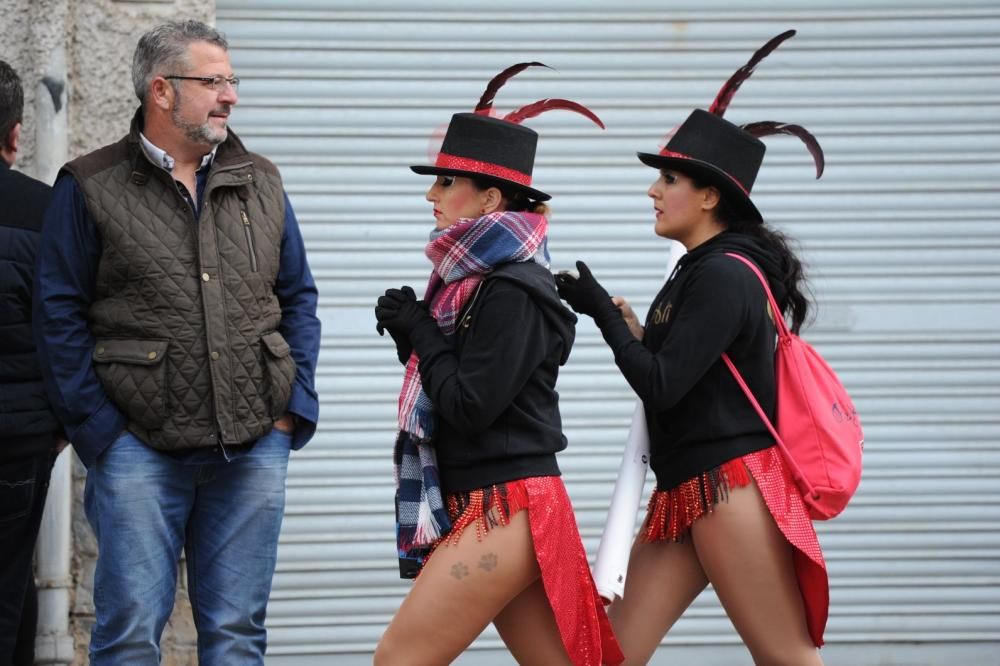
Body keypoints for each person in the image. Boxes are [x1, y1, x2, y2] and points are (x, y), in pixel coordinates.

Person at [32, 20, 320, 664]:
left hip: (252, 447)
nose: (231, 96)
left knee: (238, 633)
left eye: (232, 80)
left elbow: (298, 297)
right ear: (161, 91)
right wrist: (100, 432)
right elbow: (57, 317)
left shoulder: (262, 180)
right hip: (137, 450)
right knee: (130, 632)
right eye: (213, 81)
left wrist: (287, 411)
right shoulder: (89, 184)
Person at [556, 31, 829, 665]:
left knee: (786, 657)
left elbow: (662, 384)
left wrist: (605, 317)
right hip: (688, 492)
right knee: (605, 655)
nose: (653, 191)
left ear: (710, 197)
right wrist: (630, 322)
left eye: (669, 179)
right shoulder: (700, 268)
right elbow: (693, 366)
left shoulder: (726, 273)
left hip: (728, 489)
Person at [372, 64, 622, 666]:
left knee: (398, 660)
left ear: (489, 199)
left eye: (446, 182)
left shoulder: (513, 290)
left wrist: (421, 331)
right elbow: (464, 383)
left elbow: (469, 405)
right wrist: (417, 337)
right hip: (497, 500)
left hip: (505, 505)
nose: (430, 196)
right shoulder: (473, 285)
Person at [0, 58, 64, 666]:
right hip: (14, 449)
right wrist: (57, 431)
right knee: (8, 603)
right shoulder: (46, 212)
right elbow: (72, 335)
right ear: (15, 135)